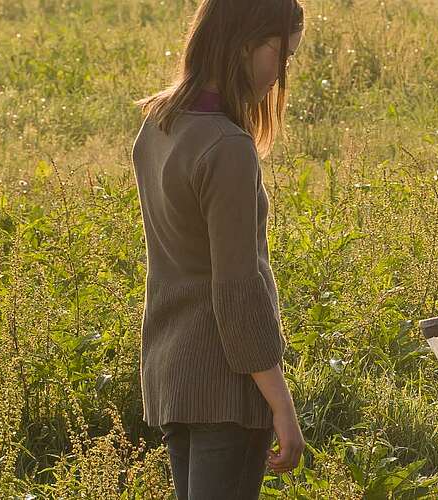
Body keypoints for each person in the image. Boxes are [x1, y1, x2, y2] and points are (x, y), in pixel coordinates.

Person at [131, 1, 306, 497]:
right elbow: (236, 292)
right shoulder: (226, 146)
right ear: (244, 43)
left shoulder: (159, 126)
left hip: (173, 376)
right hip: (225, 386)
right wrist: (281, 404)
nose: (281, 74)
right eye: (281, 55)